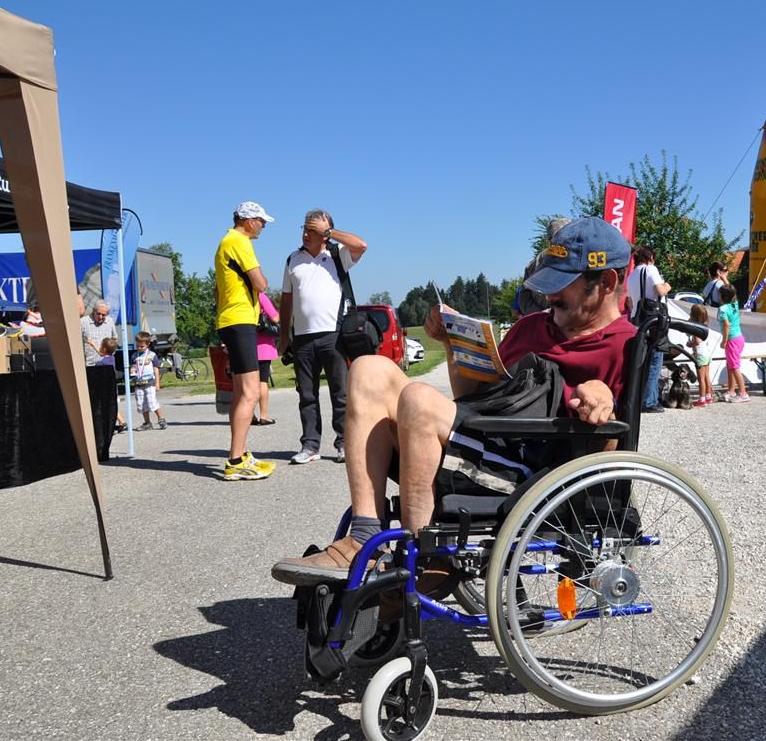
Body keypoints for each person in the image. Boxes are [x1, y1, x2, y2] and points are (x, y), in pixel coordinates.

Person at [270, 216, 635, 584]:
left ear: (606, 283)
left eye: (562, 285)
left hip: (529, 474)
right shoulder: (532, 326)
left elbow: (612, 455)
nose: (550, 297)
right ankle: (364, 536)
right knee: (368, 369)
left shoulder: (624, 345)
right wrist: (452, 343)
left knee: (419, 400)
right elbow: (473, 399)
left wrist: (604, 404)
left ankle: (424, 564)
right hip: (485, 441)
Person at [279, 209, 369, 465]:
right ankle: (309, 445)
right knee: (306, 395)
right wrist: (284, 334)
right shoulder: (293, 259)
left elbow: (361, 245)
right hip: (302, 338)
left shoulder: (338, 254)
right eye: (305, 229)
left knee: (340, 394)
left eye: (313, 230)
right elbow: (286, 299)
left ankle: (344, 443)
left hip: (334, 334)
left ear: (326, 233)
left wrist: (329, 232)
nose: (306, 234)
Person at [215, 201, 277, 480]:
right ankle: (235, 460)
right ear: (248, 220)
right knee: (251, 392)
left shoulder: (226, 242)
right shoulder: (239, 241)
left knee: (242, 393)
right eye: (261, 221)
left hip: (231, 320)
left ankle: (239, 455)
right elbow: (261, 284)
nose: (263, 226)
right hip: (240, 321)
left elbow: (217, 292)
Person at [626, 245, 671, 413]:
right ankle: (650, 400)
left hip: (636, 320)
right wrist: (667, 286)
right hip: (652, 320)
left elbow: (629, 302)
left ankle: (639, 397)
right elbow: (660, 290)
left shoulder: (631, 275)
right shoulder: (651, 269)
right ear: (650, 257)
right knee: (655, 359)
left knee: (641, 360)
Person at [517, 217, 571, 316]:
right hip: (545, 320)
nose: (560, 242)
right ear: (549, 240)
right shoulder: (535, 264)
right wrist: (541, 315)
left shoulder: (582, 259)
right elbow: (524, 295)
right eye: (555, 238)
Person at [717, 285, 749, 403]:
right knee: (730, 365)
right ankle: (731, 391)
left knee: (734, 367)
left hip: (731, 340)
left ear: (722, 296)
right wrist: (724, 279)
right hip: (739, 338)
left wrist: (724, 341)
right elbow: (732, 292)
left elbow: (726, 325)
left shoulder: (722, 309)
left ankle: (743, 393)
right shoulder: (734, 304)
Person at [130, 331, 167, 431]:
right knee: (141, 404)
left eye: (142, 346)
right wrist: (132, 369)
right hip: (138, 383)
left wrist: (157, 383)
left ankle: (161, 419)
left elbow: (156, 369)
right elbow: (133, 366)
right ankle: (147, 423)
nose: (139, 348)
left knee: (152, 402)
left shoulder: (152, 355)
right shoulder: (135, 355)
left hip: (150, 383)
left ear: (148, 344)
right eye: (137, 346)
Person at [254, 291, 279, 425]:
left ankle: (249, 415)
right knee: (262, 381)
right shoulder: (260, 296)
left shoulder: (240, 296)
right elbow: (275, 318)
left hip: (245, 345)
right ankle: (263, 415)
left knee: (247, 383)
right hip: (262, 346)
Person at [97, 336, 128, 433]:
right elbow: (102, 354)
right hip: (113, 387)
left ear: (103, 349)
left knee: (107, 407)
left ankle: (119, 423)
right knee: (111, 406)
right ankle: (121, 422)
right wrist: (93, 344)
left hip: (105, 388)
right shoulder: (112, 358)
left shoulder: (100, 363)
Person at [688, 304, 714, 407]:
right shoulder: (705, 325)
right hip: (707, 354)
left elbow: (697, 341)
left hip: (700, 356)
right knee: (707, 376)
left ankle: (702, 399)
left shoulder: (696, 328)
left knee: (701, 379)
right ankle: (708, 396)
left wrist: (691, 344)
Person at [79, 300, 116, 367]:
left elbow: (114, 338)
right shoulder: (83, 322)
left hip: (107, 365)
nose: (100, 317)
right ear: (94, 311)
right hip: (91, 365)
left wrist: (111, 352)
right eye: (98, 314)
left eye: (103, 315)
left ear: (107, 314)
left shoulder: (110, 321)